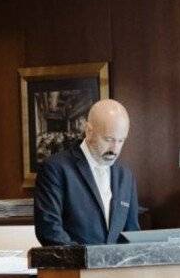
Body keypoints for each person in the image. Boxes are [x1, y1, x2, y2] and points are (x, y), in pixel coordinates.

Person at [34, 99, 140, 246]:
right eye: (108, 139)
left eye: (121, 141)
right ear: (89, 131)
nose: (115, 149)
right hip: (75, 267)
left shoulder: (126, 175)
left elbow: (131, 232)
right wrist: (88, 260)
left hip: (115, 268)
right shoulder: (56, 168)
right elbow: (49, 230)